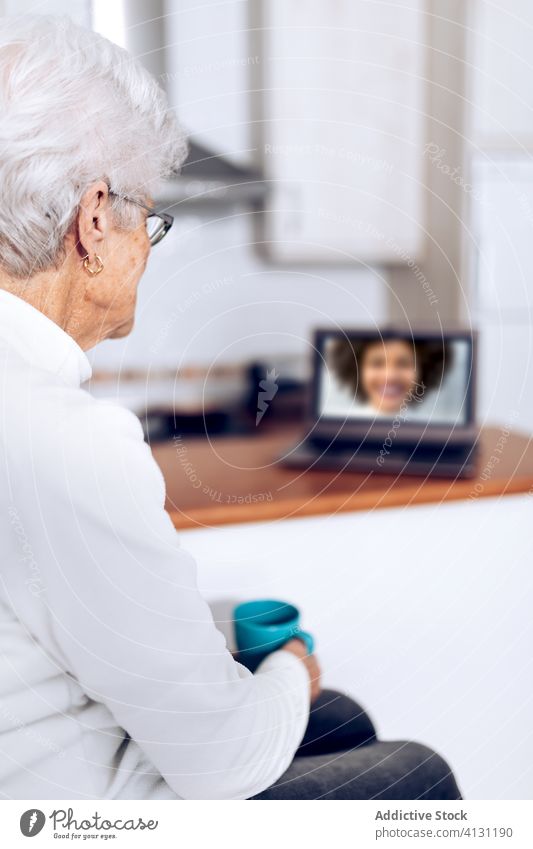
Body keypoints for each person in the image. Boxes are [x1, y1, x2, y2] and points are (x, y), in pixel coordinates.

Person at [0, 15, 461, 800]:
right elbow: (221, 763)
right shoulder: (63, 438)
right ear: (93, 222)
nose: (146, 244)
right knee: (417, 774)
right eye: (147, 218)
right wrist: (288, 666)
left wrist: (220, 638)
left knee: (336, 720)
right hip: (73, 809)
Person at [329, 337, 451, 416]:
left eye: (403, 364)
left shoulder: (434, 428)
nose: (390, 376)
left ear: (423, 370)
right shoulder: (338, 427)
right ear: (357, 369)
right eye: (377, 363)